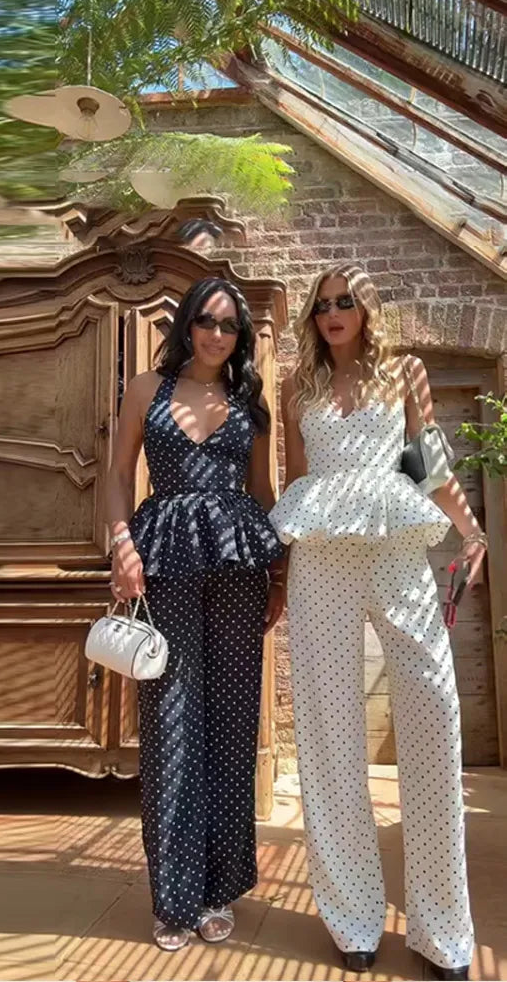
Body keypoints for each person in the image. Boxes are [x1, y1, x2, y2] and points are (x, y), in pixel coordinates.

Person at [270, 263, 487, 981]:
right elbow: (295, 484)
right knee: (328, 733)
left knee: (433, 714)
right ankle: (354, 918)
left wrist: (472, 530)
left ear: (366, 309)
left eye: (345, 301)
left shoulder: (405, 372)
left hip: (396, 550)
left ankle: (442, 931)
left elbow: (429, 466)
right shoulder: (295, 385)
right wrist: (278, 574)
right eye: (322, 304)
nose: (333, 312)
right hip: (321, 562)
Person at [105, 276, 286, 951]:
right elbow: (117, 475)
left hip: (238, 567)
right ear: (187, 325)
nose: (216, 334)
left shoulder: (249, 401)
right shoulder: (145, 390)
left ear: (241, 336)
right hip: (165, 560)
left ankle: (218, 888)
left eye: (229, 325)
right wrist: (121, 545)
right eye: (207, 321)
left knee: (233, 724)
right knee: (171, 724)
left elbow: (263, 491)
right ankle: (174, 897)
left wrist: (279, 575)